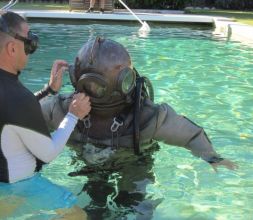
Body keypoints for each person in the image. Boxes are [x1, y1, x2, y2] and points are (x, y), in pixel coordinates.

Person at [40, 37, 238, 219]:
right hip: (92, 166)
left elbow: (188, 135)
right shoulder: (65, 109)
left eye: (98, 87)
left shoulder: (144, 116)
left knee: (134, 207)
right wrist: (50, 91)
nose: (93, 93)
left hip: (134, 163)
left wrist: (212, 157)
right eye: (89, 87)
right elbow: (21, 116)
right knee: (94, 202)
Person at [0, 11, 91, 219]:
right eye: (29, 41)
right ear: (12, 48)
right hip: (17, 189)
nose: (32, 49)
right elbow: (48, 153)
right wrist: (73, 115)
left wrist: (47, 91)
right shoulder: (17, 97)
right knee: (77, 215)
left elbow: (8, 112)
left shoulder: (10, 92)